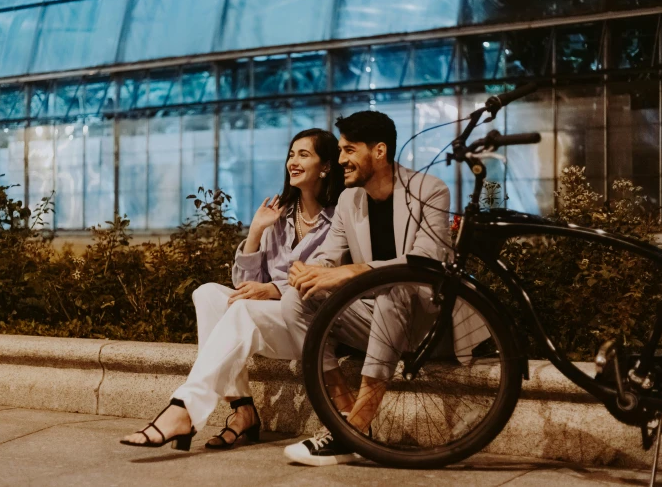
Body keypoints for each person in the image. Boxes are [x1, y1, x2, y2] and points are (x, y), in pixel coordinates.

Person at [120, 128, 344, 450]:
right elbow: (243, 284)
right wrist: (255, 232)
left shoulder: (338, 219)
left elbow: (325, 274)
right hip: (267, 318)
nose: (293, 162)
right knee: (207, 293)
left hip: (307, 321)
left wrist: (274, 290)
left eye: (303, 155)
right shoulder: (279, 217)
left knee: (241, 308)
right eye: (291, 154)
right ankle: (243, 409)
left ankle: (183, 410)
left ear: (325, 167)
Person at [280, 110, 466, 466]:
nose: (340, 160)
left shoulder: (429, 190)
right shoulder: (350, 200)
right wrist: (310, 271)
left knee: (391, 287)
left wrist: (357, 271)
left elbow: (428, 261)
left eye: (349, 150)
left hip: (428, 324)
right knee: (295, 301)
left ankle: (350, 433)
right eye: (339, 151)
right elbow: (330, 256)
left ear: (379, 151)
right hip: (379, 319)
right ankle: (346, 422)